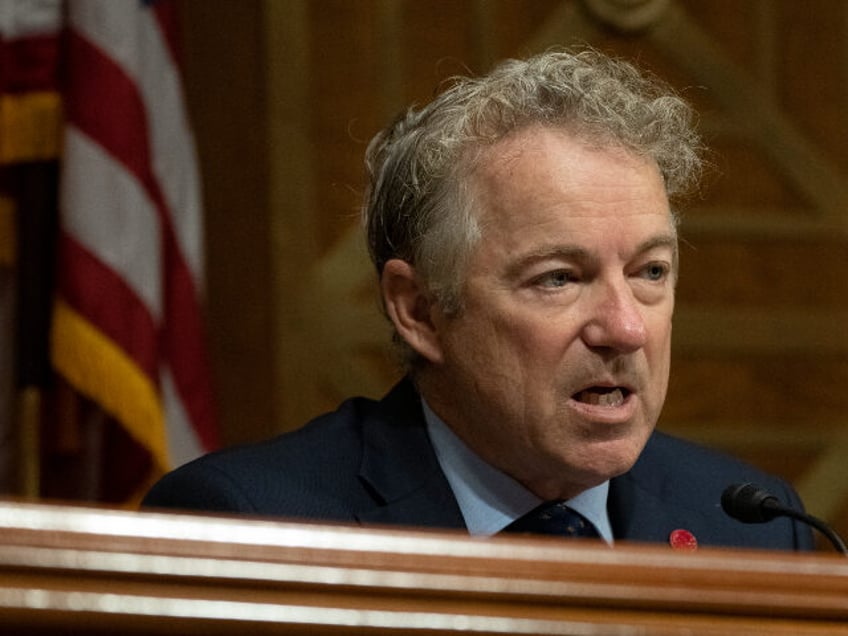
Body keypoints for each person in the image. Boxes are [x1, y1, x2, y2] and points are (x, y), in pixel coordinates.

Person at [144, 48, 814, 551]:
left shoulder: (747, 525)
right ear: (419, 309)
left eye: (651, 271)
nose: (625, 327)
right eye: (559, 278)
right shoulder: (252, 529)